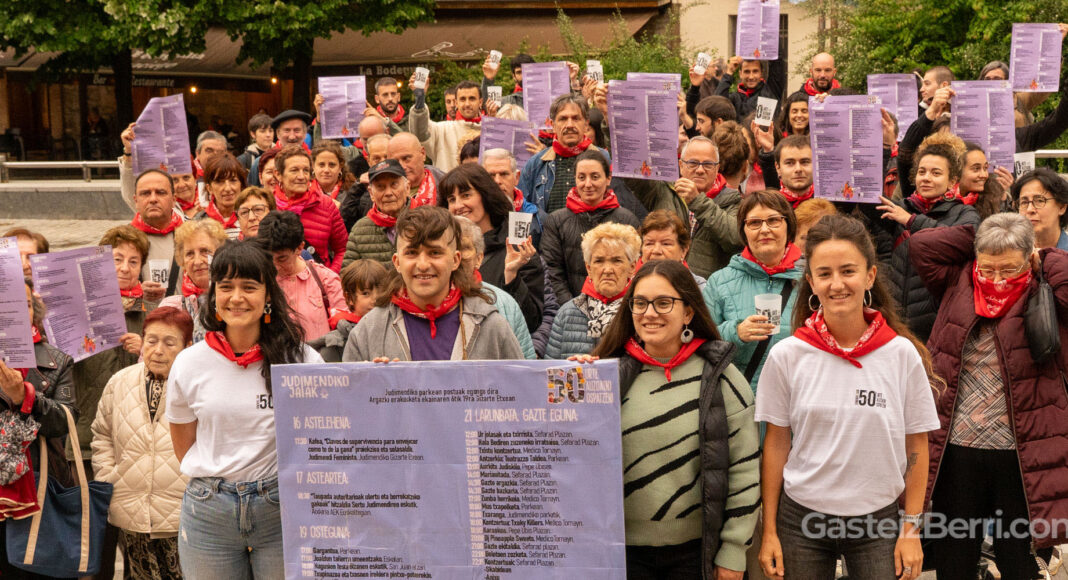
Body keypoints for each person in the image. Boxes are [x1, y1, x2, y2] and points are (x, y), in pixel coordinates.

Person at [756, 214, 940, 579]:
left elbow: (917, 445)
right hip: (800, 521)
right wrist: (770, 531)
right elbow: (776, 444)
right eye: (824, 274)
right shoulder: (787, 355)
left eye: (848, 271)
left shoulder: (901, 354)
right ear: (810, 282)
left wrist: (911, 528)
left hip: (876, 522)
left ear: (870, 276)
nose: (836, 284)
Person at [581, 260, 760, 579]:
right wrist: (572, 384)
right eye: (640, 302)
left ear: (688, 312)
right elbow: (570, 454)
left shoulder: (722, 378)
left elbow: (745, 470)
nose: (650, 313)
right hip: (621, 556)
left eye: (664, 302)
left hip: (695, 556)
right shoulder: (605, 375)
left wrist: (733, 552)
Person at [911, 213, 1068, 577]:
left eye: (1009, 269)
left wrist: (1043, 256)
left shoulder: (1045, 287)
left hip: (1023, 451)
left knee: (1018, 558)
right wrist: (982, 235)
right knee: (955, 556)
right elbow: (921, 247)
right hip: (957, 447)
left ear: (1029, 259)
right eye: (989, 268)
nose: (997, 279)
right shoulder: (958, 280)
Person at [167, 240, 322, 579]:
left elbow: (325, 435)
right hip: (209, 511)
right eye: (226, 287)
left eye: (249, 287)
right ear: (215, 295)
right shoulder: (189, 363)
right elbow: (184, 443)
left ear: (269, 295)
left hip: (282, 510)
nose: (237, 298)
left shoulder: (302, 360)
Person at [342, 206, 524, 361]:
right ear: (397, 262)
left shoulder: (491, 326)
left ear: (455, 260)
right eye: (412, 253)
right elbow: (349, 399)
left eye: (435, 253)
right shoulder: (368, 331)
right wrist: (374, 386)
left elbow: (520, 393)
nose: (422, 265)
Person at [91, 306, 193, 580]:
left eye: (170, 343)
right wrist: (110, 477)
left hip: (182, 514)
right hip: (131, 510)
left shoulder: (197, 386)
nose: (158, 350)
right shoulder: (119, 382)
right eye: (151, 340)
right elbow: (101, 434)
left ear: (188, 346)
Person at [0, 278, 76, 578]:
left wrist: (26, 397)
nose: (19, 311)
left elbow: (66, 421)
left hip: (40, 488)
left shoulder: (57, 361)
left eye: (27, 304)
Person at [874, 134, 980, 341]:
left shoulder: (965, 214)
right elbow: (866, 198)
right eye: (921, 172)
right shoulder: (902, 208)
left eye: (936, 173)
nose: (926, 178)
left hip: (937, 326)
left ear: (952, 181)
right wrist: (885, 146)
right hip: (896, 322)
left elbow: (966, 240)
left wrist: (911, 221)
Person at [702, 190, 803, 394]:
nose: (764, 229)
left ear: (788, 226)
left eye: (773, 220)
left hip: (795, 396)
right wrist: (735, 332)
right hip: (740, 399)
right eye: (754, 223)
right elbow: (700, 342)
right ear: (743, 231)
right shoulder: (720, 281)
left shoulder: (810, 281)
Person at [438, 164, 544, 333]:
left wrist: (512, 278)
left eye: (466, 195)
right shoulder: (441, 252)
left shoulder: (517, 247)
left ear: (485, 195)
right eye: (451, 199)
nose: (458, 205)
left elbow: (531, 322)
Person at [541, 150, 641, 304]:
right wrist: (573, 307)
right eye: (581, 177)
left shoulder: (627, 219)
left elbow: (634, 269)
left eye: (595, 177)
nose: (588, 184)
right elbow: (553, 271)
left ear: (608, 179)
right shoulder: (556, 221)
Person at [545, 222, 640, 359]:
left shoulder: (640, 312)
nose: (607, 270)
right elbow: (551, 372)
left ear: (632, 267)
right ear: (588, 268)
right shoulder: (567, 313)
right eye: (599, 261)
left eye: (616, 261)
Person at [454, 216, 537, 360]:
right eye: (452, 247)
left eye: (465, 247)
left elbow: (524, 365)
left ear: (479, 259)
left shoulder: (505, 303)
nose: (458, 255)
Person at [258, 211, 345, 342]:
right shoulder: (259, 282)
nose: (275, 266)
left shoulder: (326, 280)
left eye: (282, 259)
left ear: (300, 248)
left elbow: (344, 328)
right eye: (269, 258)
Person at [518, 95, 610, 214]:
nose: (570, 125)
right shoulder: (535, 164)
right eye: (563, 119)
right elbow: (521, 209)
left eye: (576, 118)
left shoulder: (604, 158)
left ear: (586, 124)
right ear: (553, 125)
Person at [272, 144, 347, 272]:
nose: (301, 176)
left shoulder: (326, 205)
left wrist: (329, 277)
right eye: (294, 170)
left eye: (306, 170)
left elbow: (343, 249)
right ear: (278, 174)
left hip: (319, 286)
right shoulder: (268, 206)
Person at [159, 219, 229, 344]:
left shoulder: (233, 301)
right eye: (190, 254)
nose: (197, 261)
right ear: (182, 260)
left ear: (220, 254)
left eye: (205, 251)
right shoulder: (170, 307)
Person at [308, 259, 389, 362]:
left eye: (381, 292)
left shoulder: (395, 327)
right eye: (366, 293)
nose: (375, 299)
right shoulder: (337, 342)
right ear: (349, 298)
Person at [119, 123, 200, 219]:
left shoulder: (210, 200)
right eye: (174, 180)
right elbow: (130, 191)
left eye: (186, 178)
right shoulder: (157, 206)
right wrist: (129, 151)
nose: (182, 185)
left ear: (195, 179)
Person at [129, 170, 185, 301]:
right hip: (140, 319)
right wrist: (136, 294)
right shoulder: (119, 241)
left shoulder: (192, 236)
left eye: (160, 193)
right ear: (136, 201)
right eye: (145, 193)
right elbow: (104, 294)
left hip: (184, 318)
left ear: (173, 200)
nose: (153, 199)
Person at [343, 159, 410, 266]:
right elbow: (348, 276)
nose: (388, 193)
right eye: (380, 187)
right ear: (371, 193)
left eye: (394, 184)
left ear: (407, 188)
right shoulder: (360, 230)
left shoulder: (424, 222)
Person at [410, 79, 483, 172]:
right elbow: (420, 133)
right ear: (456, 103)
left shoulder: (490, 131)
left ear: (480, 102)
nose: (467, 104)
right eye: (462, 99)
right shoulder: (442, 130)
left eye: (472, 98)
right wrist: (420, 99)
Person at [482, 147, 546, 242]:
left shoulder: (538, 219)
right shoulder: (475, 216)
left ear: (516, 178)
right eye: (491, 175)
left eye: (504, 174)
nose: (497, 181)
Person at [638, 210, 706, 287]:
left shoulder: (701, 291)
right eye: (649, 243)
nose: (656, 250)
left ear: (683, 250)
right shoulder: (630, 287)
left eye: (666, 244)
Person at [340, 133, 392, 230]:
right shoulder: (361, 188)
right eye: (377, 159)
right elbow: (345, 222)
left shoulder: (405, 182)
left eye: (387, 157)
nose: (382, 163)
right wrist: (358, 187)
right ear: (368, 161)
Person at [248, 109, 313, 186]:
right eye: (287, 131)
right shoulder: (262, 162)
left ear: (305, 133)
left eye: (297, 130)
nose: (292, 137)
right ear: (278, 134)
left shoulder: (314, 161)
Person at [715, 55, 787, 120]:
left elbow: (777, 64)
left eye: (755, 71)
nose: (751, 77)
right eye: (747, 72)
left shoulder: (772, 90)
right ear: (740, 74)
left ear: (761, 73)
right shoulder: (735, 98)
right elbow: (717, 105)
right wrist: (729, 72)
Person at [1013, 167, 1068, 250]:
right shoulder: (1008, 253)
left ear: (1062, 207)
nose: (1030, 209)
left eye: (1039, 201)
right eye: (1024, 202)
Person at [753, 134, 813, 208]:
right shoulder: (769, 207)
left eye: (805, 162)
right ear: (778, 168)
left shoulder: (829, 201)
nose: (798, 169)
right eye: (789, 163)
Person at [197, 153, 247, 239]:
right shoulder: (198, 223)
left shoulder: (253, 218)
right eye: (219, 182)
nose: (227, 188)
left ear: (241, 185)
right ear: (209, 188)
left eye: (233, 180)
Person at [389, 132, 445, 207]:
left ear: (423, 153)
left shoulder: (447, 187)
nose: (402, 166)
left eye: (406, 158)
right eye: (395, 162)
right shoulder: (381, 193)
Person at [957, 142, 1010, 219]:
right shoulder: (941, 201)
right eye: (976, 169)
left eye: (985, 168)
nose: (984, 175)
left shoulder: (992, 197)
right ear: (957, 170)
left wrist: (1003, 199)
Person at [311, 140, 354, 205]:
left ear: (340, 167)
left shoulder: (353, 192)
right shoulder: (304, 191)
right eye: (321, 165)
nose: (326, 170)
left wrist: (342, 210)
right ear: (313, 166)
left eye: (332, 165)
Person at [192, 131, 228, 206]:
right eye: (209, 151)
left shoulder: (233, 174)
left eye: (220, 151)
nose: (215, 155)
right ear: (198, 153)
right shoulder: (186, 175)